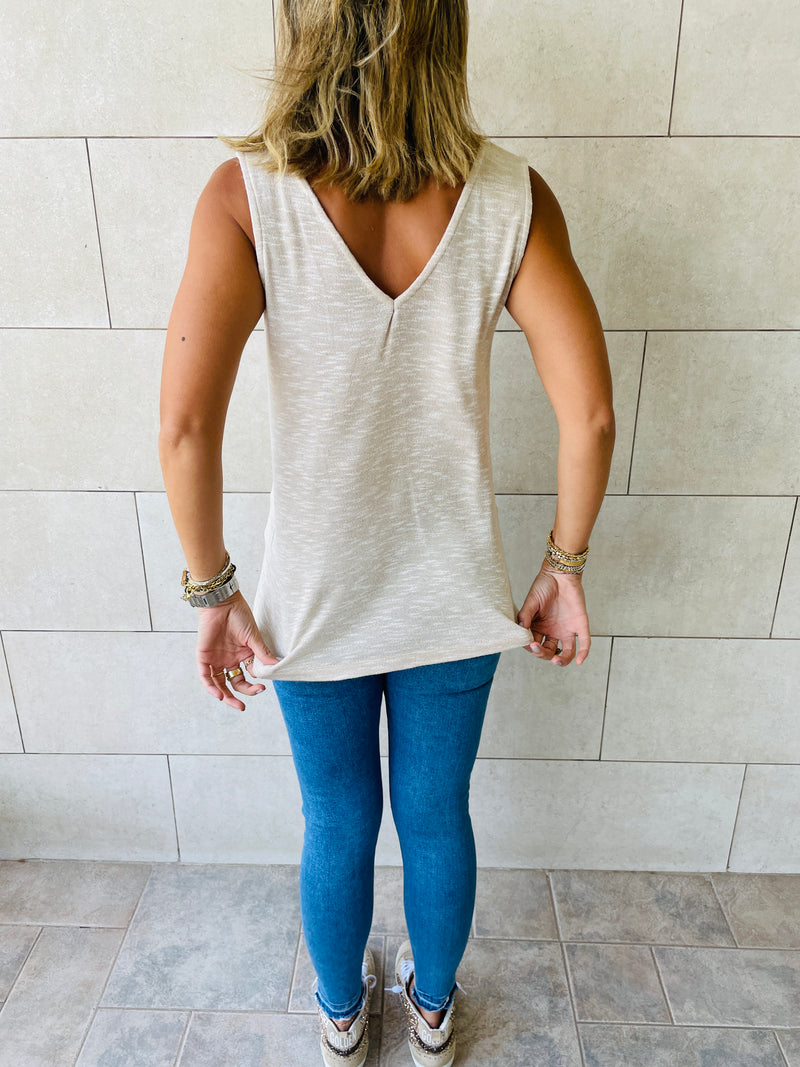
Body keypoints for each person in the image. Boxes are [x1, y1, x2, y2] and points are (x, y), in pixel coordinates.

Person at [158, 1, 615, 1064]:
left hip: (313, 599)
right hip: (454, 593)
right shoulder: (510, 194)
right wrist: (563, 564)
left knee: (335, 817)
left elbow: (184, 427)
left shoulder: (245, 197)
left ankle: (338, 1014)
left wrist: (211, 589)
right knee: (437, 813)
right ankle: (433, 1011)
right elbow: (590, 412)